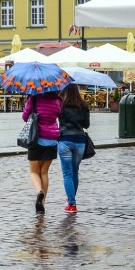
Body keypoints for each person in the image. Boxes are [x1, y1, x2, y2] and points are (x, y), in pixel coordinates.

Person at [22, 90, 62, 214]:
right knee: (44, 172)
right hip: (51, 139)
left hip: (36, 138)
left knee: (34, 172)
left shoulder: (34, 99)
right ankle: (42, 202)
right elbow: (59, 115)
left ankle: (39, 192)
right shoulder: (58, 101)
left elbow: (24, 117)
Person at [57, 84, 90, 213]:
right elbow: (86, 125)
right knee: (75, 172)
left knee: (67, 174)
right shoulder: (84, 105)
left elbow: (57, 121)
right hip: (80, 141)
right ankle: (71, 200)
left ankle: (71, 203)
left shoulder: (61, 105)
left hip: (65, 140)